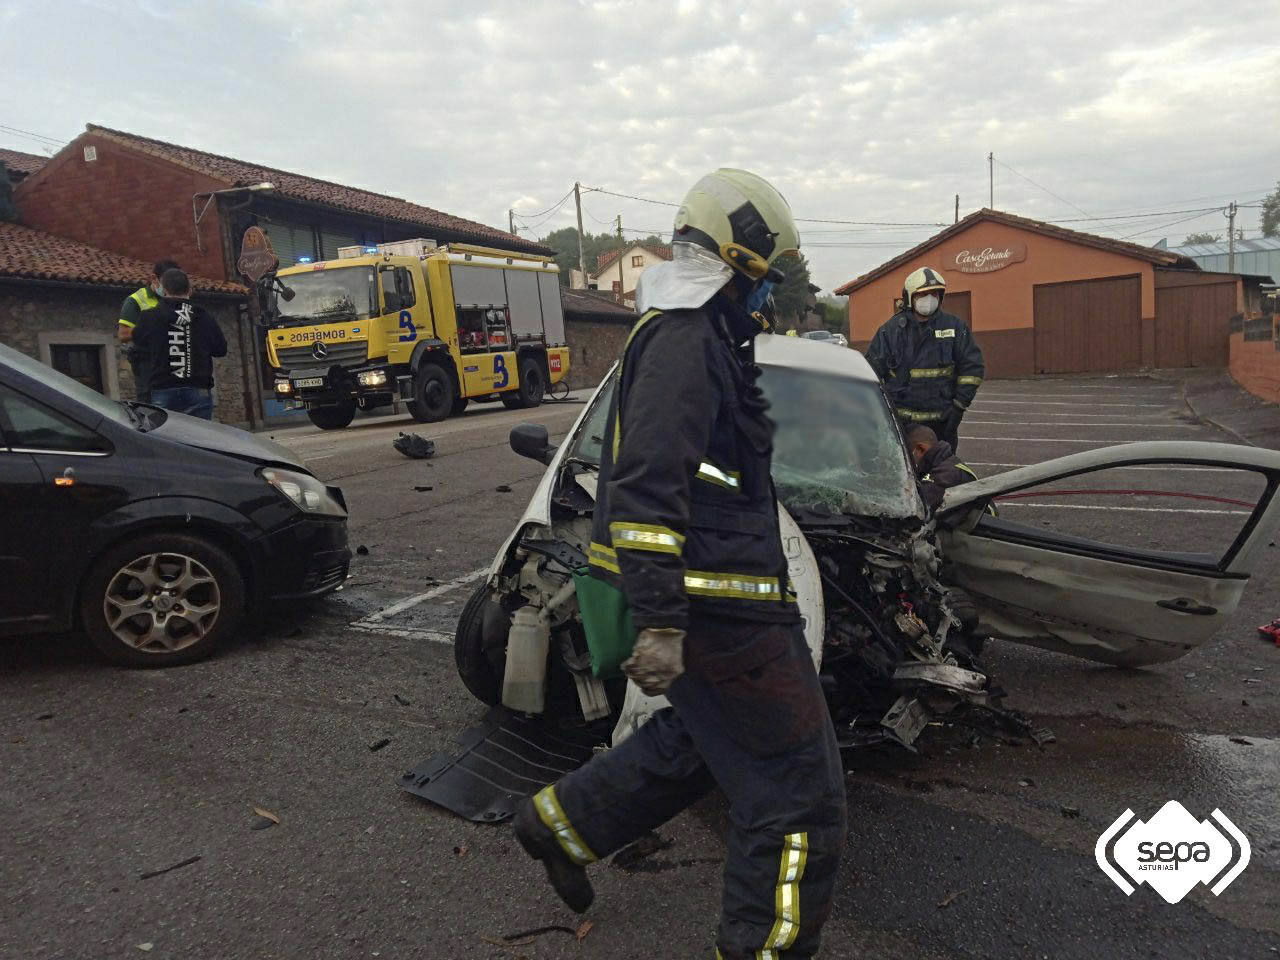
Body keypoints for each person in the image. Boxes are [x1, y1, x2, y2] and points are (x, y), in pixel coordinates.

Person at [512, 169, 846, 960]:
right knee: (799, 802)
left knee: (704, 742)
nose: (771, 294)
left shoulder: (704, 336)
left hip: (727, 608)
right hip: (720, 618)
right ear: (740, 262)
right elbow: (647, 484)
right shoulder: (686, 339)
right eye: (769, 276)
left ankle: (560, 824)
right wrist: (661, 619)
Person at [865, 266, 984, 453]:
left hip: (942, 424)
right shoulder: (890, 331)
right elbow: (870, 372)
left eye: (935, 294)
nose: (930, 299)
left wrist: (959, 406)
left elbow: (972, 369)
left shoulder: (955, 327)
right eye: (923, 294)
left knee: (941, 474)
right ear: (910, 298)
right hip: (901, 424)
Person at [132, 269, 227, 420]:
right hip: (198, 387)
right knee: (199, 439)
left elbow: (138, 342)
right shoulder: (203, 317)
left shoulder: (149, 317)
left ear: (163, 290)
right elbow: (220, 349)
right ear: (190, 290)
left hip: (163, 387)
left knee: (165, 439)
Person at [117, 259, 179, 403]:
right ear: (154, 279)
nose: (169, 287)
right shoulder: (135, 300)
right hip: (147, 364)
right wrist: (151, 328)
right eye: (166, 282)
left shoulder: (175, 298)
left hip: (172, 362)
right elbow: (123, 334)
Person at [906, 424, 979, 511]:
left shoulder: (944, 476)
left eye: (908, 455)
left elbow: (915, 509)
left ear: (921, 449)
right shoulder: (941, 462)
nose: (908, 460)